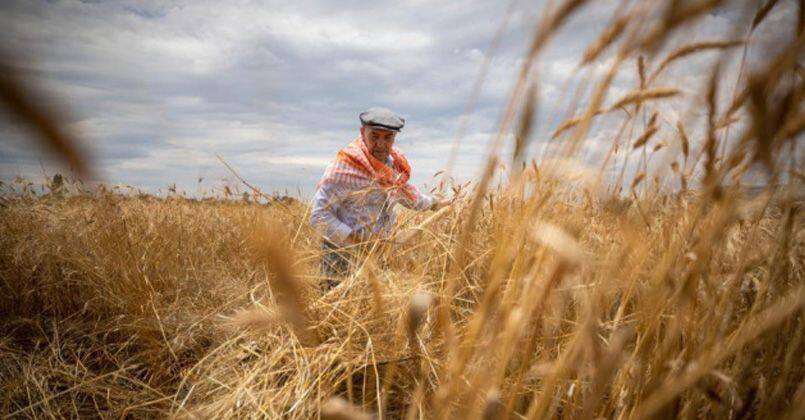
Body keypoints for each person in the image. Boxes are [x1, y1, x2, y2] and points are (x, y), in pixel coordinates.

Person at [310, 107, 449, 291]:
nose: (381, 144)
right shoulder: (344, 166)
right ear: (362, 133)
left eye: (388, 137)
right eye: (374, 136)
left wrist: (435, 204)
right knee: (336, 314)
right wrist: (359, 244)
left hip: (378, 257)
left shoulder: (392, 165)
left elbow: (408, 195)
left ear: (394, 138)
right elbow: (318, 216)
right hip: (341, 259)